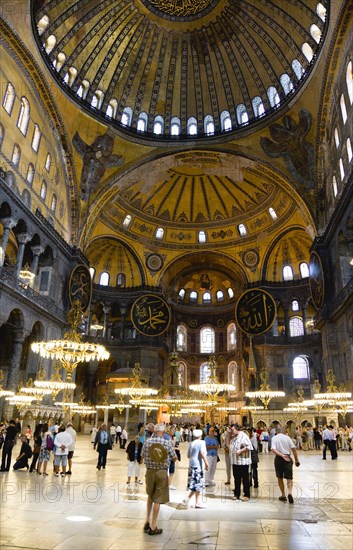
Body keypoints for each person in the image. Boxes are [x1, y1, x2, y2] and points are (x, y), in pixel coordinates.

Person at [141, 422, 177, 536]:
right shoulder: (166, 443)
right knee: (158, 498)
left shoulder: (147, 442)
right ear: (162, 431)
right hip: (161, 472)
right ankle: (153, 526)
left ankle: (147, 520)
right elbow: (174, 458)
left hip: (150, 471)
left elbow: (142, 456)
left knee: (150, 496)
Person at [271, 426, 300, 504]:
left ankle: (283, 495)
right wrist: (297, 460)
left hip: (278, 458)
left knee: (279, 477)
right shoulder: (287, 438)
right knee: (289, 477)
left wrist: (281, 455)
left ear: (276, 431)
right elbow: (294, 449)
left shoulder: (274, 438)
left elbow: (273, 450)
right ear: (283, 431)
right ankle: (290, 493)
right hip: (287, 457)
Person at [183, 428, 209, 508]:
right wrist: (206, 463)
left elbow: (188, 455)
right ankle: (188, 499)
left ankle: (197, 502)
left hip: (191, 464)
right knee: (198, 484)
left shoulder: (191, 443)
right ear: (201, 435)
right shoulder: (202, 442)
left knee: (196, 484)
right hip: (198, 465)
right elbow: (202, 453)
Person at [229, 424, 252, 501]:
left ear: (237, 429)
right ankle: (237, 494)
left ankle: (246, 495)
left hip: (243, 462)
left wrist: (241, 451)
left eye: (232, 430)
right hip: (235, 462)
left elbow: (249, 447)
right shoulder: (233, 437)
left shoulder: (243, 436)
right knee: (236, 479)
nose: (231, 431)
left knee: (245, 479)